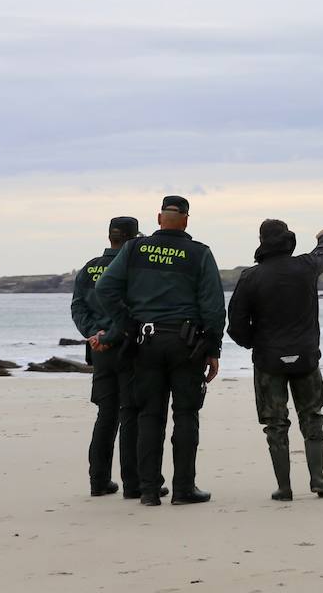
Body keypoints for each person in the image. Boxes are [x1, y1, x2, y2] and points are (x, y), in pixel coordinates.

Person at [95, 196, 226, 507]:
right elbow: (214, 306)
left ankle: (150, 490)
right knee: (186, 415)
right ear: (186, 220)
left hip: (146, 342)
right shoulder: (199, 253)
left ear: (158, 218)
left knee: (149, 416)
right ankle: (183, 489)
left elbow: (105, 289)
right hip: (185, 345)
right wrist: (213, 347)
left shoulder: (133, 249)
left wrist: (127, 324)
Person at [227, 219, 323, 501]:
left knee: (275, 423)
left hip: (268, 360)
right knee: (312, 416)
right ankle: (318, 479)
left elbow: (236, 323)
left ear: (262, 242)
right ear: (288, 239)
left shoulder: (250, 276)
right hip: (306, 357)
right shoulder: (305, 266)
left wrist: (254, 343)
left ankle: (284, 487)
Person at [70, 216, 167, 500]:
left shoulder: (89, 268)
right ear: (133, 237)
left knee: (105, 416)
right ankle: (132, 483)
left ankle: (98, 481)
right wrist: (110, 335)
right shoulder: (130, 268)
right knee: (130, 415)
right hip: (127, 347)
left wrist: (94, 335)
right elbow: (133, 309)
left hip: (99, 352)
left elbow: (77, 307)